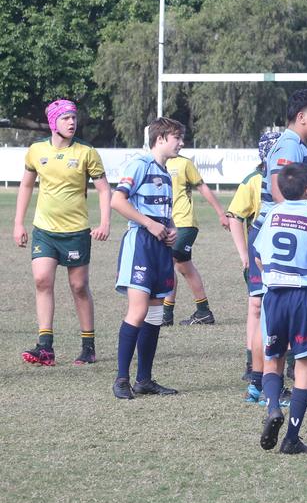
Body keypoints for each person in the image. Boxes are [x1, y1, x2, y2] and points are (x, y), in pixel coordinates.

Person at [253, 163, 307, 455]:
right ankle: (291, 438)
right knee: (303, 364)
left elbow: (259, 254)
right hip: (301, 296)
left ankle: (272, 408)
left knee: (272, 359)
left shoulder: (273, 213)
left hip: (273, 295)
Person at [13, 99, 111, 366]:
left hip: (76, 232)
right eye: (66, 117)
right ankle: (45, 347)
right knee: (42, 280)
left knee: (79, 287)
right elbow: (25, 187)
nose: (71, 122)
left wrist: (104, 223)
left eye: (74, 117)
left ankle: (88, 346)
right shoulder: (35, 151)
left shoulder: (86, 152)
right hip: (44, 230)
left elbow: (104, 189)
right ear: (53, 121)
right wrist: (18, 223)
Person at [111, 117, 184, 400]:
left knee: (154, 314)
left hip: (160, 247)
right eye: (177, 137)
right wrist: (149, 224)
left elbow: (164, 213)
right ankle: (121, 379)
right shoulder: (140, 164)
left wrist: (171, 227)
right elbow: (117, 200)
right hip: (141, 243)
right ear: (162, 138)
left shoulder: (166, 173)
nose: (180, 143)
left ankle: (144, 380)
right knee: (138, 311)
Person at [226, 130, 280, 397]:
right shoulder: (253, 181)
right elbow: (234, 216)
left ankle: (284, 362)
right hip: (258, 248)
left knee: (279, 306)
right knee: (257, 305)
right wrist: (243, 255)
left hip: (280, 250)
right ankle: (253, 363)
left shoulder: (289, 177)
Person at [160, 153, 229, 326]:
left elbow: (202, 187)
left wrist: (221, 212)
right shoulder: (155, 162)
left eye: (181, 137)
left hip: (184, 224)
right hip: (167, 223)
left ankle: (166, 315)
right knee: (185, 268)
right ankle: (203, 312)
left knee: (167, 264)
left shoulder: (184, 163)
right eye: (176, 137)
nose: (181, 142)